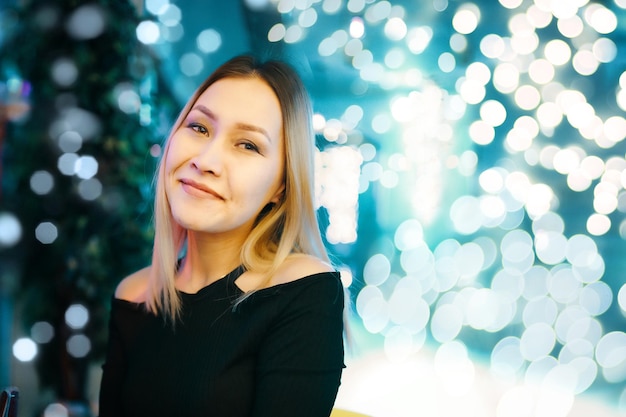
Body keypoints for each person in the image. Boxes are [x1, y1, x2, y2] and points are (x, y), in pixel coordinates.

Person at [98, 54, 346, 417]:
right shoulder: (135, 296)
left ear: (281, 186)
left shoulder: (303, 292)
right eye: (199, 128)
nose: (206, 160)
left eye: (247, 145)